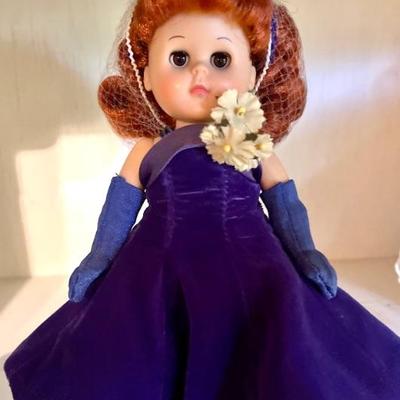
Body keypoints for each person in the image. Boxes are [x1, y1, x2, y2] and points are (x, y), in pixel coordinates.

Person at [4, 0, 400, 399]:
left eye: (221, 59)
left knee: (279, 334)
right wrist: (99, 258)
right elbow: (121, 204)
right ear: (146, 75)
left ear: (252, 74)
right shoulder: (148, 148)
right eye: (179, 58)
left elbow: (284, 200)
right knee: (132, 339)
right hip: (160, 260)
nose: (199, 71)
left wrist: (305, 253)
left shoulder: (251, 143)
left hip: (250, 259)